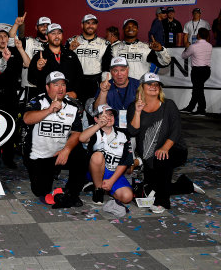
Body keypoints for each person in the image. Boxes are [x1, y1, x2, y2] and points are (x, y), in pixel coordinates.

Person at [127, 73, 204, 214]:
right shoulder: (134, 107)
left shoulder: (168, 105)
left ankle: (162, 202)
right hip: (149, 154)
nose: (153, 86)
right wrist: (138, 112)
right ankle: (185, 185)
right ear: (142, 87)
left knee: (162, 159)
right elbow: (132, 131)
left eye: (156, 84)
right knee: (152, 187)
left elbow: (176, 131)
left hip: (173, 148)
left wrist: (165, 148)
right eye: (149, 84)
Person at [22, 71, 87, 208]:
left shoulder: (73, 106)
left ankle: (72, 192)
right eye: (56, 85)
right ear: (47, 87)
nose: (60, 88)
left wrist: (67, 149)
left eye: (63, 85)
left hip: (60, 151)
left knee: (81, 154)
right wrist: (49, 110)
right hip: (39, 153)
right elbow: (27, 119)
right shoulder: (38, 101)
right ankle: (50, 174)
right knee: (40, 191)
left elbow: (76, 133)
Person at [0, 27, 30, 168]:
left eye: (5, 36)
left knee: (10, 128)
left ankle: (8, 158)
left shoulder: (14, 52)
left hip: (11, 96)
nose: (2, 39)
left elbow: (28, 64)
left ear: (9, 39)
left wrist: (19, 49)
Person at [79, 105, 133, 206]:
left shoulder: (123, 135)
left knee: (127, 197)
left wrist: (111, 181)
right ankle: (98, 190)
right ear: (96, 118)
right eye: (104, 115)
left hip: (114, 173)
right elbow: (82, 138)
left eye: (111, 115)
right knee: (98, 156)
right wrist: (99, 125)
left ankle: (107, 189)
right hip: (95, 171)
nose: (108, 117)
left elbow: (125, 162)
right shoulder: (94, 130)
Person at [103, 19, 171, 80]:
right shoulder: (114, 48)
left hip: (140, 87)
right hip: (120, 87)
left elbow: (165, 63)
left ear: (137, 29)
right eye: (128, 27)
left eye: (134, 27)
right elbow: (106, 68)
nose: (131, 29)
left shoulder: (147, 48)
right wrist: (107, 83)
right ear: (123, 29)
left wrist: (161, 50)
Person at [28, 23, 83, 98]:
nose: (57, 36)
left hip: (68, 98)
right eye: (53, 33)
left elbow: (79, 76)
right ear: (47, 37)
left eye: (59, 33)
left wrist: (75, 92)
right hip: (47, 100)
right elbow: (31, 79)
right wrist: (38, 69)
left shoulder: (71, 55)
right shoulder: (39, 56)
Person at [66, 14, 109, 104]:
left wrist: (105, 81)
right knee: (73, 109)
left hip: (95, 82)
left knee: (94, 112)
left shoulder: (104, 44)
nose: (90, 26)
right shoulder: (71, 41)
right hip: (75, 81)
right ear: (82, 25)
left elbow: (106, 66)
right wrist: (69, 50)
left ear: (96, 26)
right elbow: (63, 62)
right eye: (87, 23)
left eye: (93, 23)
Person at [93, 57, 140, 134]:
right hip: (111, 130)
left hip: (135, 129)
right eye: (115, 71)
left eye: (122, 70)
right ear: (111, 72)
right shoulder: (106, 86)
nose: (119, 74)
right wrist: (103, 92)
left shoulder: (138, 85)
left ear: (128, 70)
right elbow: (97, 111)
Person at [12, 15, 48, 103]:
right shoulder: (28, 41)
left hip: (48, 88)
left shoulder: (55, 45)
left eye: (47, 25)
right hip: (29, 87)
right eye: (42, 25)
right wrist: (16, 24)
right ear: (36, 27)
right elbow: (12, 38)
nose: (45, 27)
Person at [180, 28, 213, 115]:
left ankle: (201, 109)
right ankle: (190, 107)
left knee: (198, 90)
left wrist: (186, 48)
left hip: (197, 71)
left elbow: (184, 56)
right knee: (197, 89)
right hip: (206, 71)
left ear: (198, 35)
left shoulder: (193, 46)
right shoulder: (210, 46)